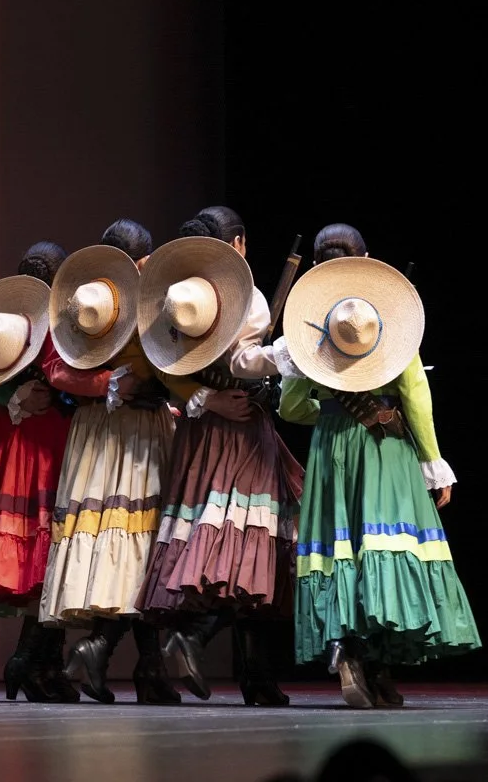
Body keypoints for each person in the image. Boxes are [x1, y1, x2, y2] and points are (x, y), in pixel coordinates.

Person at [279, 223, 480, 708]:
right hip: (386, 447)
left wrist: (328, 409)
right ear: (365, 259)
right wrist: (433, 461)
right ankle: (379, 667)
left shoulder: (310, 327)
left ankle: (349, 652)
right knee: (384, 547)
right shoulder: (382, 319)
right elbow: (414, 394)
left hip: (332, 449)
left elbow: (289, 407)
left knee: (342, 549)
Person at [134, 206, 306, 707]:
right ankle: (203, 640)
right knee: (244, 543)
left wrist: (204, 396)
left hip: (201, 428)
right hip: (236, 430)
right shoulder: (236, 295)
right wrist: (279, 356)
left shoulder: (179, 295)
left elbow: (167, 361)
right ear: (240, 245)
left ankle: (251, 672)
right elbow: (240, 359)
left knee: (226, 542)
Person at [44, 220, 184, 705]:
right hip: (133, 431)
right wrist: (118, 385)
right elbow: (171, 363)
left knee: (120, 543)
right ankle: (128, 660)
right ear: (142, 261)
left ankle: (133, 663)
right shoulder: (146, 305)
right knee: (138, 543)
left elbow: (56, 369)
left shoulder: (87, 301)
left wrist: (101, 384)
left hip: (96, 431)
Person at [0, 242, 81, 702]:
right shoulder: (9, 322)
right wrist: (16, 397)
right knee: (47, 549)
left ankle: (42, 663)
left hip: (38, 432)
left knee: (47, 552)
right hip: (35, 435)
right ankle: (31, 661)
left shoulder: (48, 319)